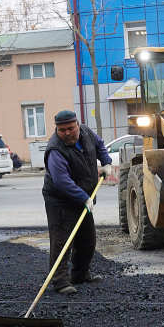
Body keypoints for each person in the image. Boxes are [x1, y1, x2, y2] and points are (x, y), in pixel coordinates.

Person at [41, 109, 116, 295]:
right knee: (62, 241)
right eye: (62, 130)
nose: (67, 133)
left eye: (70, 128)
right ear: (57, 129)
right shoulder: (55, 150)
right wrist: (83, 197)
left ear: (77, 125)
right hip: (60, 200)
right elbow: (61, 181)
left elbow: (99, 145)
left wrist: (106, 162)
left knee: (87, 239)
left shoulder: (86, 133)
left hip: (84, 198)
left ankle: (80, 274)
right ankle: (60, 282)